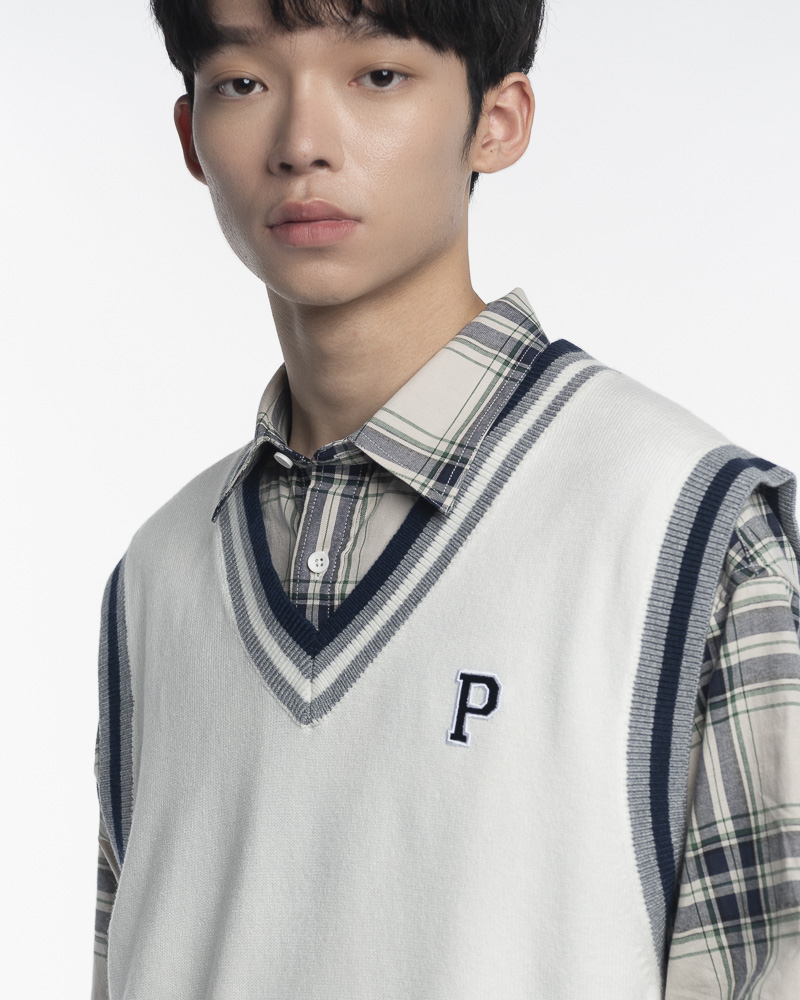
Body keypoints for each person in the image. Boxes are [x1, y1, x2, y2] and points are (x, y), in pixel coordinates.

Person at [92, 1, 800, 997]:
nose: (300, 143)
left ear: (495, 122)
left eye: (377, 76)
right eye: (243, 82)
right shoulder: (155, 579)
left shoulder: (693, 537)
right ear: (190, 137)